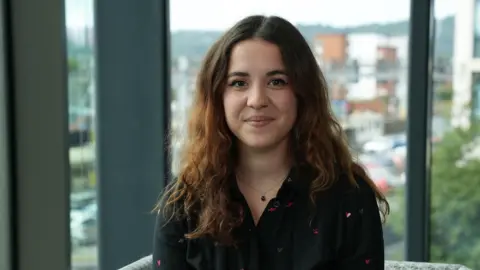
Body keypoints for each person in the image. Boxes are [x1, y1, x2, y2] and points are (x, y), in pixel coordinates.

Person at [153, 15, 389, 270]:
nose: (257, 100)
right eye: (239, 83)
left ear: (302, 93)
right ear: (218, 97)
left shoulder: (349, 197)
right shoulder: (185, 202)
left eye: (277, 82)